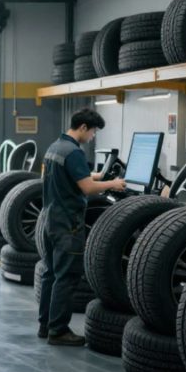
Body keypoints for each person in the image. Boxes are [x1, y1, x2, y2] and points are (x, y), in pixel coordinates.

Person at [39, 108, 126, 346]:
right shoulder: (74, 152)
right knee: (66, 277)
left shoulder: (55, 147)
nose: (93, 137)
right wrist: (113, 183)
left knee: (50, 274)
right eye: (94, 131)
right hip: (68, 224)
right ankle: (59, 331)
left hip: (49, 219)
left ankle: (45, 325)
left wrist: (98, 176)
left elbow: (75, 177)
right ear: (84, 128)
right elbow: (86, 189)